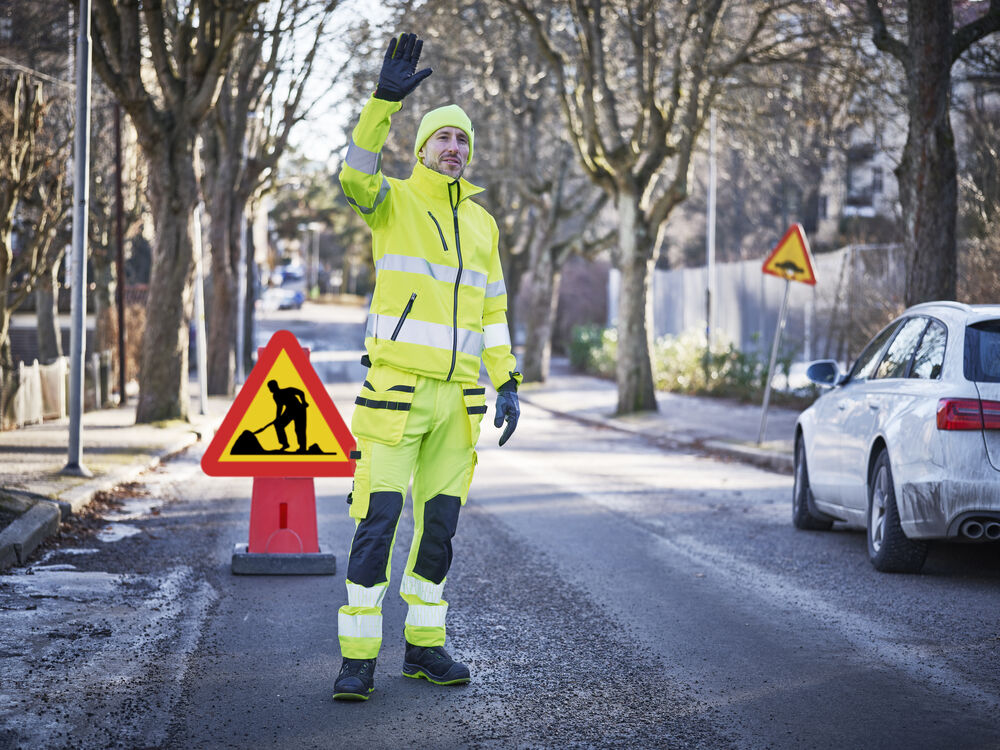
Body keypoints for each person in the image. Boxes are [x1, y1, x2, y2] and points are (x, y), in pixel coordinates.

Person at [333, 32, 521, 702]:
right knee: (377, 526)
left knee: (438, 533)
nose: (454, 149)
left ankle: (424, 648)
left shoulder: (484, 226)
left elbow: (493, 310)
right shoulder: (393, 202)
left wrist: (507, 378)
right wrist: (383, 102)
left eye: (462, 142)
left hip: (458, 407)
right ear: (423, 150)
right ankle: (357, 659)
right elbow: (353, 173)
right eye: (443, 138)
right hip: (395, 396)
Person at [266, 379, 308, 453]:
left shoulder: (288, 390)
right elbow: (279, 407)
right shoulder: (275, 396)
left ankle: (302, 448)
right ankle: (285, 444)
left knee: (299, 429)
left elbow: (301, 392)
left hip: (299, 410)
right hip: (289, 411)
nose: (269, 389)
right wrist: (277, 418)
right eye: (269, 387)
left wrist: (303, 402)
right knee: (278, 424)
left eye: (270, 387)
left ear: (275, 386)